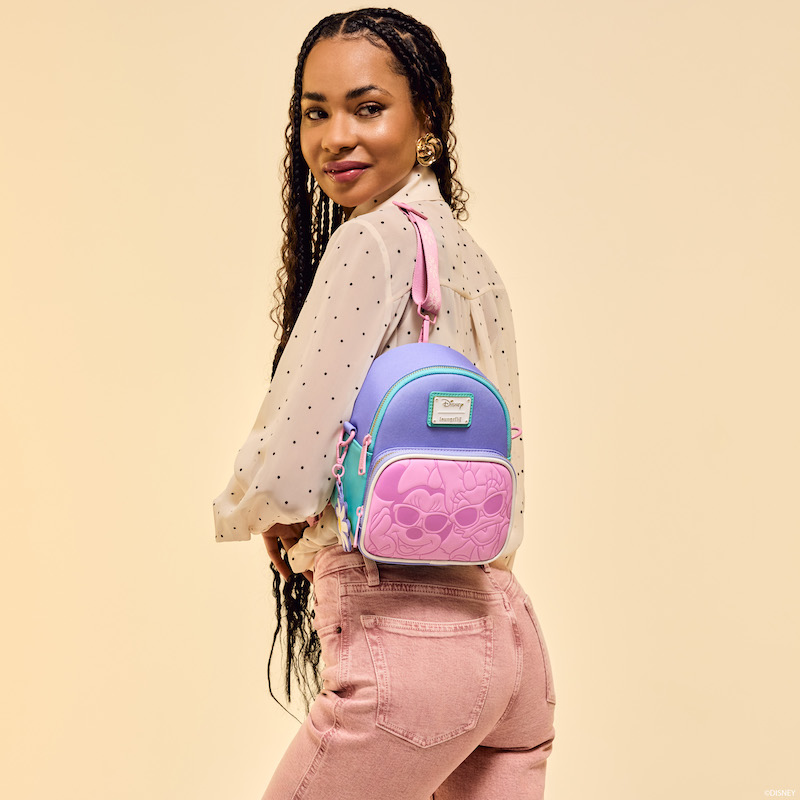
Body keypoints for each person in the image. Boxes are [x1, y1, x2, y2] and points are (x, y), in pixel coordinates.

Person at [213, 8, 556, 799]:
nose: (336, 137)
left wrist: (255, 510)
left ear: (425, 115)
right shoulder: (475, 260)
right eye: (315, 112)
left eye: (368, 107)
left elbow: (294, 459)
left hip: (410, 642)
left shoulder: (370, 242)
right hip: (509, 637)